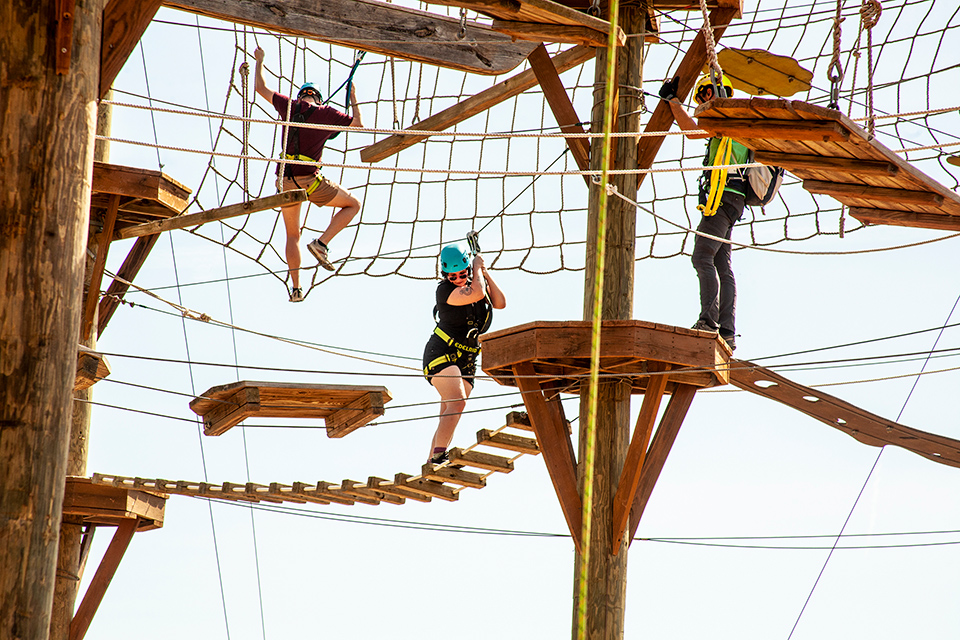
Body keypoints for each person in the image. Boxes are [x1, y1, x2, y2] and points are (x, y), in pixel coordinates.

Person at [249, 46, 364, 302]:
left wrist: (259, 60)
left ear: (301, 95)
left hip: (284, 180)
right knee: (353, 204)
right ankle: (321, 243)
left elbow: (260, 87)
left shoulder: (289, 106)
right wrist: (353, 97)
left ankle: (296, 287)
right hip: (310, 182)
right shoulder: (327, 114)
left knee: (292, 234)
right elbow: (358, 124)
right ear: (319, 99)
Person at [660, 73, 749, 351]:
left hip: (722, 199)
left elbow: (691, 130)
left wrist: (673, 101)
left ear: (716, 92)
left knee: (702, 257)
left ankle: (709, 323)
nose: (702, 105)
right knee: (721, 264)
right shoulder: (736, 126)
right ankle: (727, 330)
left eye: (705, 96)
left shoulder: (727, 121)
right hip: (732, 199)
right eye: (699, 100)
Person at [422, 243, 507, 464]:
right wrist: (476, 269)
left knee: (449, 411)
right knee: (457, 402)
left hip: (467, 359)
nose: (459, 279)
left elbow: (500, 302)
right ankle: (440, 454)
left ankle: (432, 460)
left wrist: (484, 271)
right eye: (453, 276)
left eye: (463, 274)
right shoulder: (444, 291)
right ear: (445, 276)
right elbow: (476, 292)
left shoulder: (476, 282)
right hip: (443, 352)